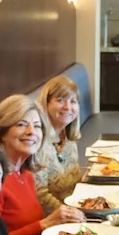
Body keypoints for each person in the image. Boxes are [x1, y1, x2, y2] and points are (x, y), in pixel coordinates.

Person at [0, 94, 84, 235]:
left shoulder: (25, 175)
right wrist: (44, 224)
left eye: (37, 126)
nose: (31, 131)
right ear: (2, 134)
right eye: (21, 124)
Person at [35, 75, 83, 211]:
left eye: (73, 101)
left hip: (73, 209)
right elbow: (40, 194)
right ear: (46, 104)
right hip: (51, 218)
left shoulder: (68, 138)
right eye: (60, 100)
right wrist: (70, 213)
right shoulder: (38, 142)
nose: (68, 107)